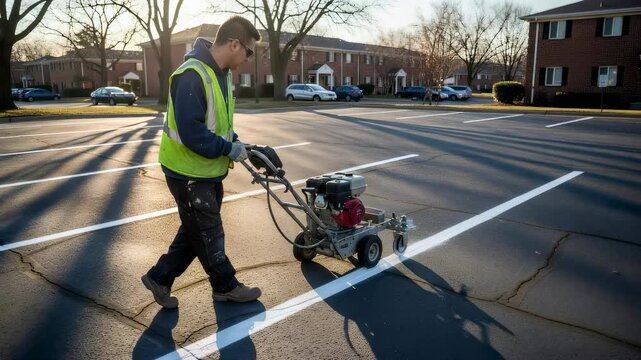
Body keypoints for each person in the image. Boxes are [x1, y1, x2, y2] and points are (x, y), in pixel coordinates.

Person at [141, 16, 262, 308]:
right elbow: (193, 133)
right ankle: (226, 285)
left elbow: (218, 122)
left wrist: (235, 141)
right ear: (234, 44)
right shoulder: (192, 75)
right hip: (187, 173)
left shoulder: (221, 73)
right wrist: (227, 149)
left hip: (206, 171)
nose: (248, 59)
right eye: (249, 52)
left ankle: (159, 277)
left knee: (194, 230)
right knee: (208, 233)